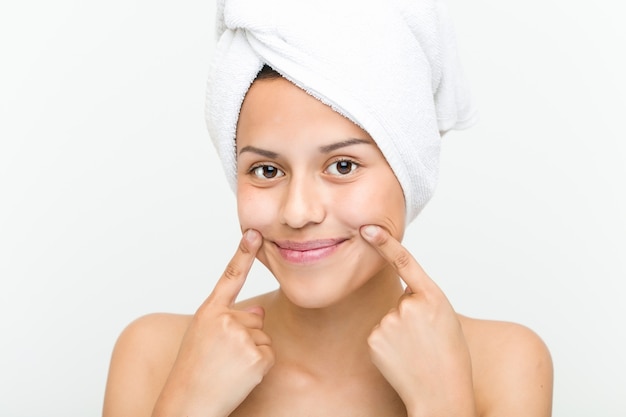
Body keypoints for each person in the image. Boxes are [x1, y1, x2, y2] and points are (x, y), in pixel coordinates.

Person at [102, 1, 553, 416]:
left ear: (408, 171)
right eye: (265, 171)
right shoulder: (157, 355)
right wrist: (188, 404)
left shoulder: (503, 363)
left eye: (342, 165)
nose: (298, 213)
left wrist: (441, 401)